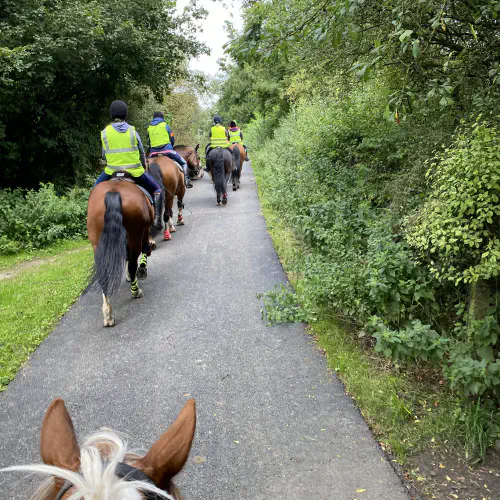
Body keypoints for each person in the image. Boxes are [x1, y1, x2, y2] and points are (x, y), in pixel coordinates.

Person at [95, 100, 163, 229]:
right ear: (126, 115)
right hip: (134, 171)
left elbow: (104, 154)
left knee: (94, 191)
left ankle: (91, 222)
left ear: (111, 115)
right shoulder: (132, 131)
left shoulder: (105, 133)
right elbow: (142, 153)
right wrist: (143, 166)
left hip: (111, 171)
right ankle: (157, 221)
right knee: (157, 190)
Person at [147, 112, 193, 188]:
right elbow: (172, 138)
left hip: (153, 153)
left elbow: (149, 141)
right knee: (184, 163)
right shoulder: (165, 125)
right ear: (162, 118)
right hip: (167, 151)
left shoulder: (149, 128)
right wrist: (171, 146)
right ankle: (187, 181)